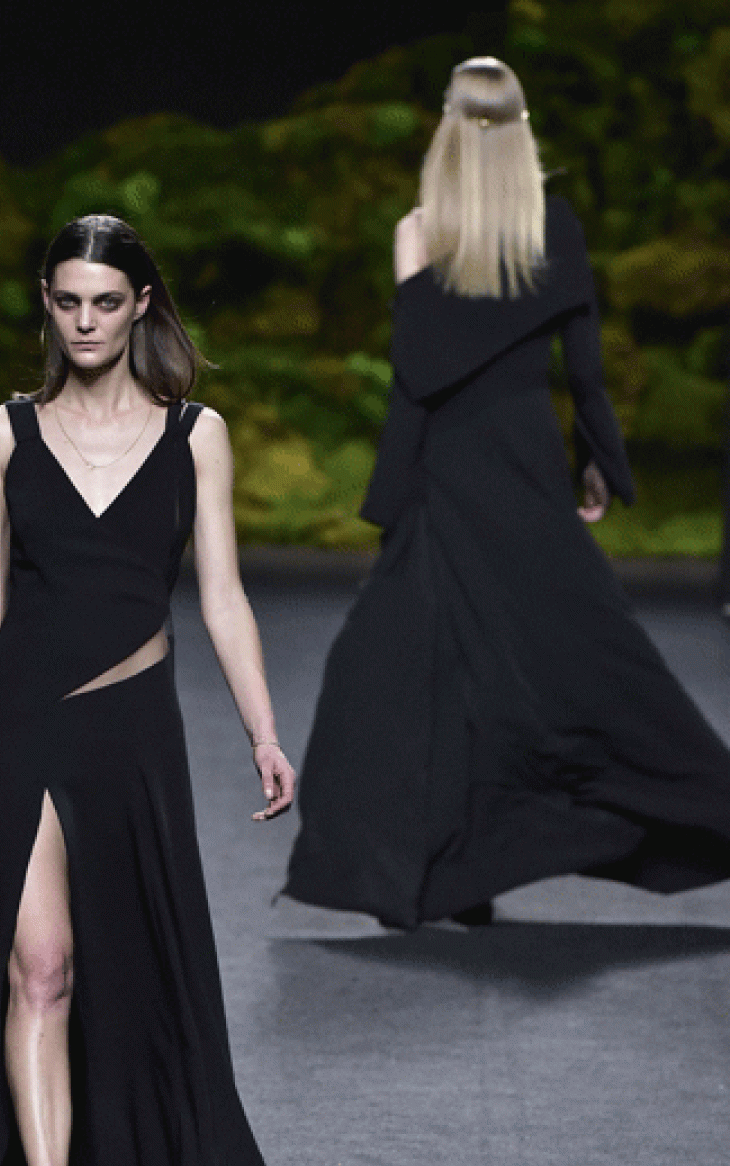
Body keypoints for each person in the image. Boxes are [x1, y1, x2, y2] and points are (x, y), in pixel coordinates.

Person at [0, 215, 295, 1166]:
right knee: (43, 967)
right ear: (46, 302)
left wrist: (262, 731)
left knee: (132, 973)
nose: (84, 322)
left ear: (142, 305)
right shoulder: (4, 433)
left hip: (133, 733)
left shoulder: (196, 434)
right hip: (20, 724)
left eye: (106, 303)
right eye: (66, 301)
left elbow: (222, 597)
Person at [284, 57, 730, 930]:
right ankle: (466, 873)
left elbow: (416, 377)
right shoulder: (553, 229)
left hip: (449, 473)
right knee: (588, 659)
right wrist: (597, 461)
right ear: (522, 135)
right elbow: (585, 369)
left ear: (448, 134)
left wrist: (390, 494)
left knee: (398, 674)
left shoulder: (419, 235)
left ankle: (434, 873)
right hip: (521, 468)